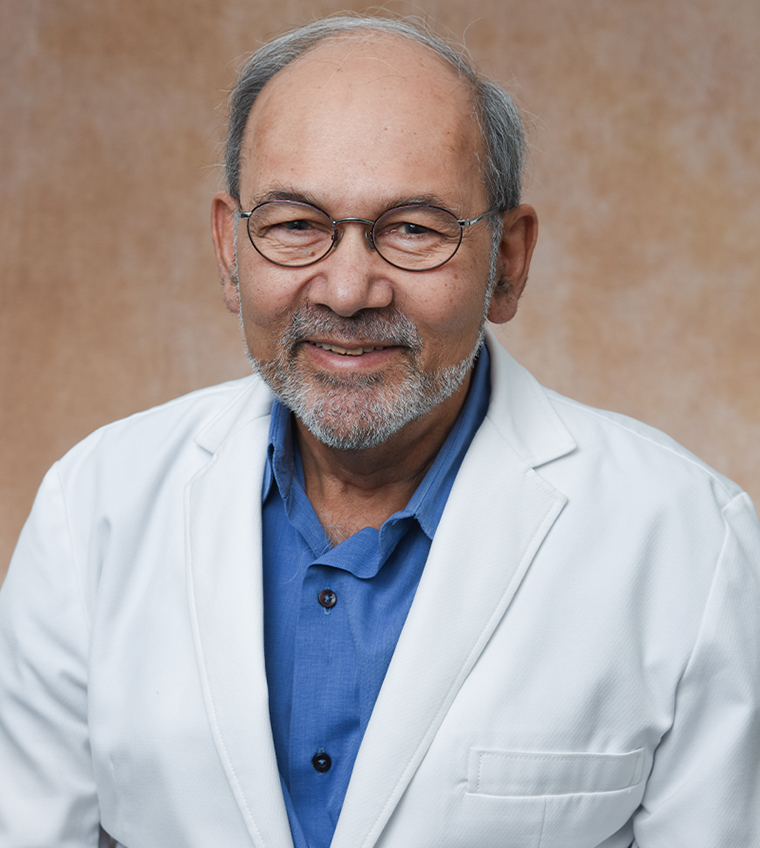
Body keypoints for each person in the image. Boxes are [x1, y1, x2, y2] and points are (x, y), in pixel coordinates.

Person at [1, 14, 759, 848]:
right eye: (294, 223)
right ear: (229, 250)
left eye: (412, 229)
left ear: (507, 261)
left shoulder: (691, 543)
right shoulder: (93, 507)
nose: (349, 289)